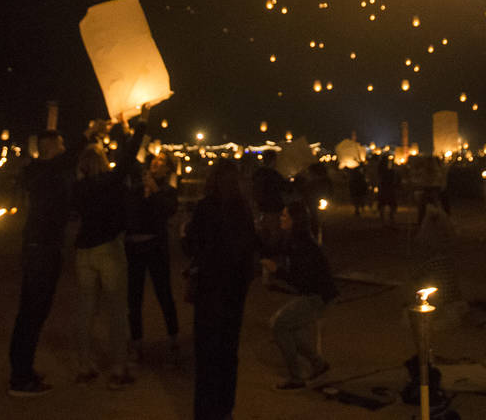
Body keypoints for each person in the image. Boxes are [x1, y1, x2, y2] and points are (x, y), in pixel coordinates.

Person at [8, 123, 91, 396]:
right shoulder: (41, 172)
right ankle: (20, 379)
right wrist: (87, 136)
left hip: (46, 248)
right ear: (50, 148)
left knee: (35, 312)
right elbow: (64, 163)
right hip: (40, 250)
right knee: (31, 313)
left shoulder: (47, 172)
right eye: (61, 144)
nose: (65, 149)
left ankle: (24, 368)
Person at [72, 110, 146, 389]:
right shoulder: (110, 182)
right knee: (117, 309)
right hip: (109, 250)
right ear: (103, 161)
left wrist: (90, 135)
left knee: (86, 310)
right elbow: (129, 157)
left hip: (83, 252)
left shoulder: (78, 188)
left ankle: (84, 364)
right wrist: (139, 125)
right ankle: (117, 367)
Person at [182, 158, 257, 420]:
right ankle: (226, 409)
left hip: (209, 289)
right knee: (228, 352)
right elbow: (250, 249)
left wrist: (185, 235)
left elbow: (192, 245)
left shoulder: (206, 208)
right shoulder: (243, 210)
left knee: (206, 356)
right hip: (234, 291)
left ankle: (204, 412)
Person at [262, 200, 337, 390]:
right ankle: (318, 364)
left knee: (279, 325)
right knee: (287, 327)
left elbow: (301, 279)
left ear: (296, 220)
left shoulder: (304, 244)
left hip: (317, 295)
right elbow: (273, 249)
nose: (281, 218)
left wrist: (276, 270)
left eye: (285, 216)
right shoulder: (293, 238)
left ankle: (297, 377)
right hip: (313, 292)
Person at [125, 148, 180, 364]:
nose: (156, 162)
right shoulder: (137, 187)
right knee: (134, 297)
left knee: (163, 292)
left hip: (156, 247)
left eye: (162, 161)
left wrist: (155, 189)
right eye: (156, 159)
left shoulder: (167, 190)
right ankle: (136, 342)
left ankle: (173, 335)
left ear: (168, 169)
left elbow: (168, 210)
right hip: (135, 247)